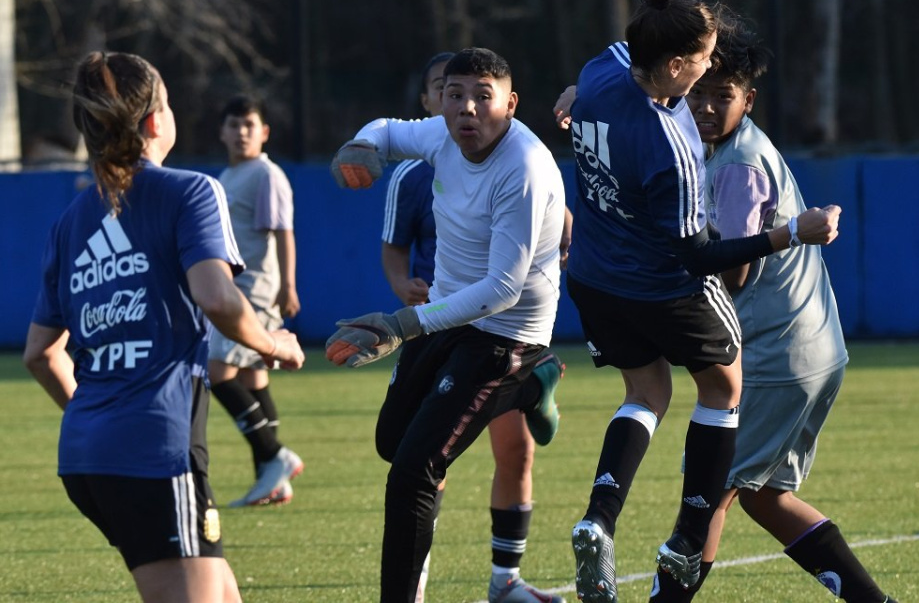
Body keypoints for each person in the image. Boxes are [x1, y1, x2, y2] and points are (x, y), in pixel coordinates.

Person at [555, 0, 841, 603]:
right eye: (705, 60)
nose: (710, 69)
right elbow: (702, 257)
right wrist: (790, 232)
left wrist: (575, 95)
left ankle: (599, 517)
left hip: (594, 279)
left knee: (646, 392)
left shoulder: (604, 68)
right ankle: (688, 537)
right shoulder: (673, 143)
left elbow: (598, 74)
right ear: (675, 66)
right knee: (723, 387)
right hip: (662, 286)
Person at [22, 51, 305, 603]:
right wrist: (274, 344)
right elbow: (216, 297)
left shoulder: (69, 222)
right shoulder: (190, 191)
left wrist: (100, 418)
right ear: (156, 121)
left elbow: (40, 353)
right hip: (155, 453)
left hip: (84, 454)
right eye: (169, 103)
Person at [644, 12, 896, 603]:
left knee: (709, 492)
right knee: (763, 495)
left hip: (775, 355)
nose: (706, 107)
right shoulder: (723, 149)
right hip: (809, 350)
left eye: (722, 96)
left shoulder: (736, 165)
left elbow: (732, 272)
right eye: (698, 93)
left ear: (748, 101)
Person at [327, 47, 566, 603]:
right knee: (392, 443)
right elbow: (387, 131)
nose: (467, 109)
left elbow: (502, 291)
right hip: (447, 313)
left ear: (511, 104)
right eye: (455, 95)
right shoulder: (441, 135)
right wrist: (360, 144)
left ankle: (526, 375)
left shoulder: (524, 167)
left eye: (484, 97)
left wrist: (400, 324)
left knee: (414, 471)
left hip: (506, 333)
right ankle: (532, 386)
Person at [208, 95, 304, 508]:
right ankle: (271, 480)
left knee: (215, 370)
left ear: (264, 132)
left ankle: (274, 455)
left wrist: (288, 286)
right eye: (234, 124)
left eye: (249, 125)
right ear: (222, 132)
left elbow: (282, 231)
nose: (241, 132)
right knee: (253, 378)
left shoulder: (266, 174)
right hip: (238, 288)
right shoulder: (229, 176)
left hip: (253, 290)